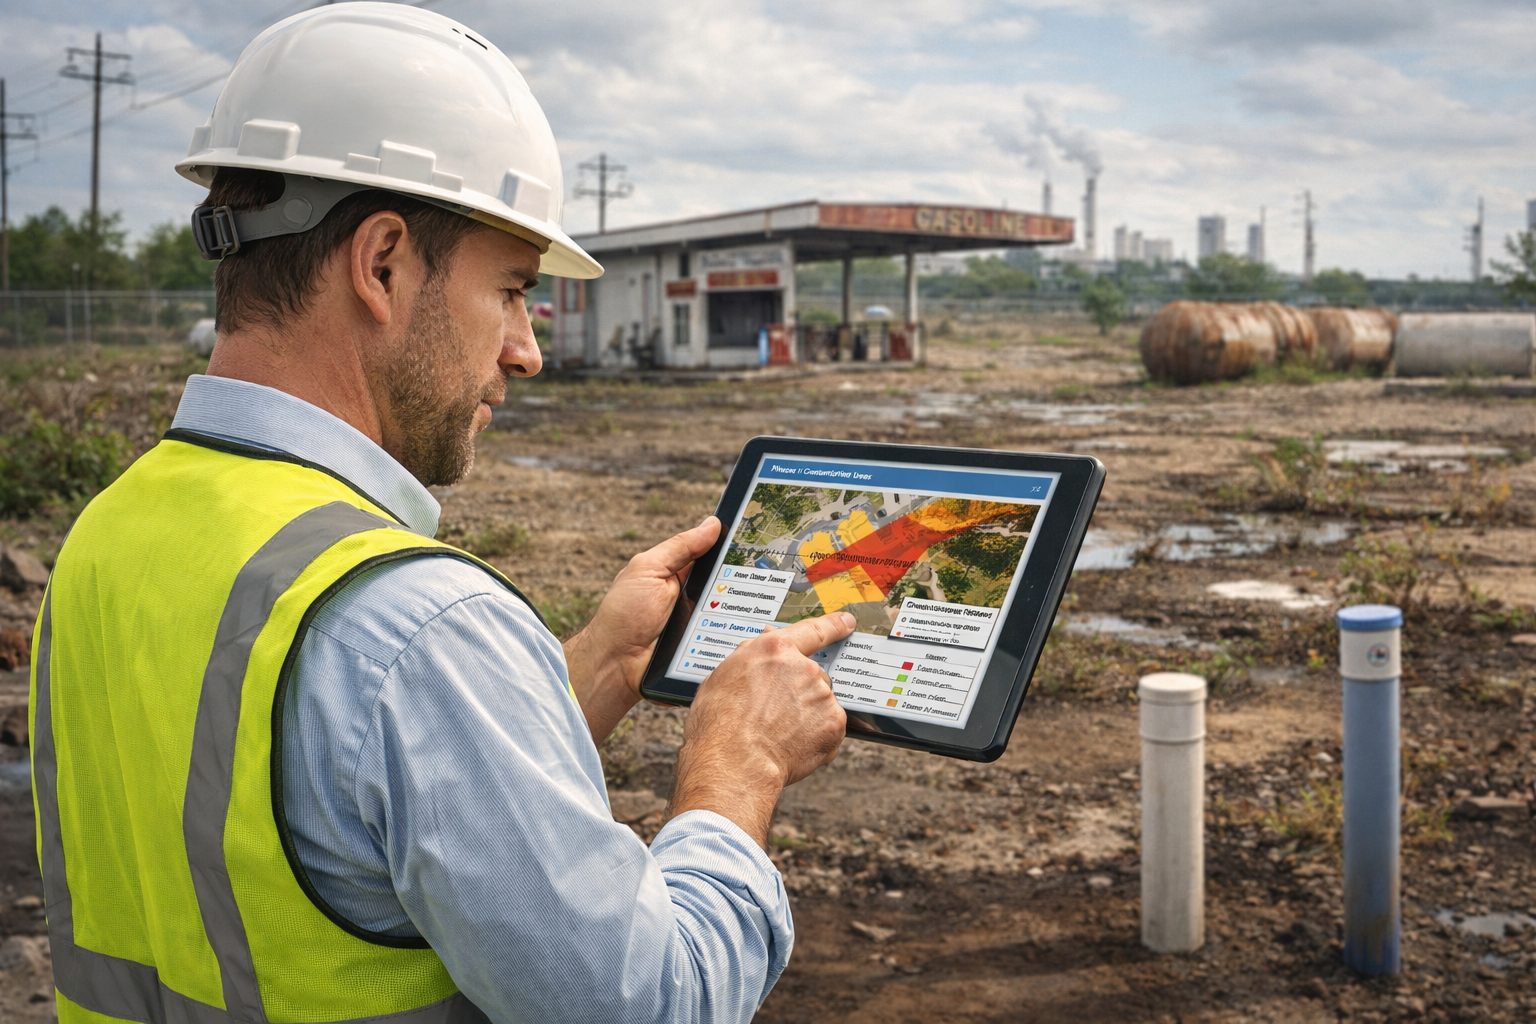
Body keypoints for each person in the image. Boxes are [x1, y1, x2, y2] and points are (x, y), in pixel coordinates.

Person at [28, 5, 851, 1022]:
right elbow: (651, 1001)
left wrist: (591, 669)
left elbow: (320, 810)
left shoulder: (113, 533)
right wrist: (739, 765)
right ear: (381, 264)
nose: (527, 348)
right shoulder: (416, 628)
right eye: (510, 289)